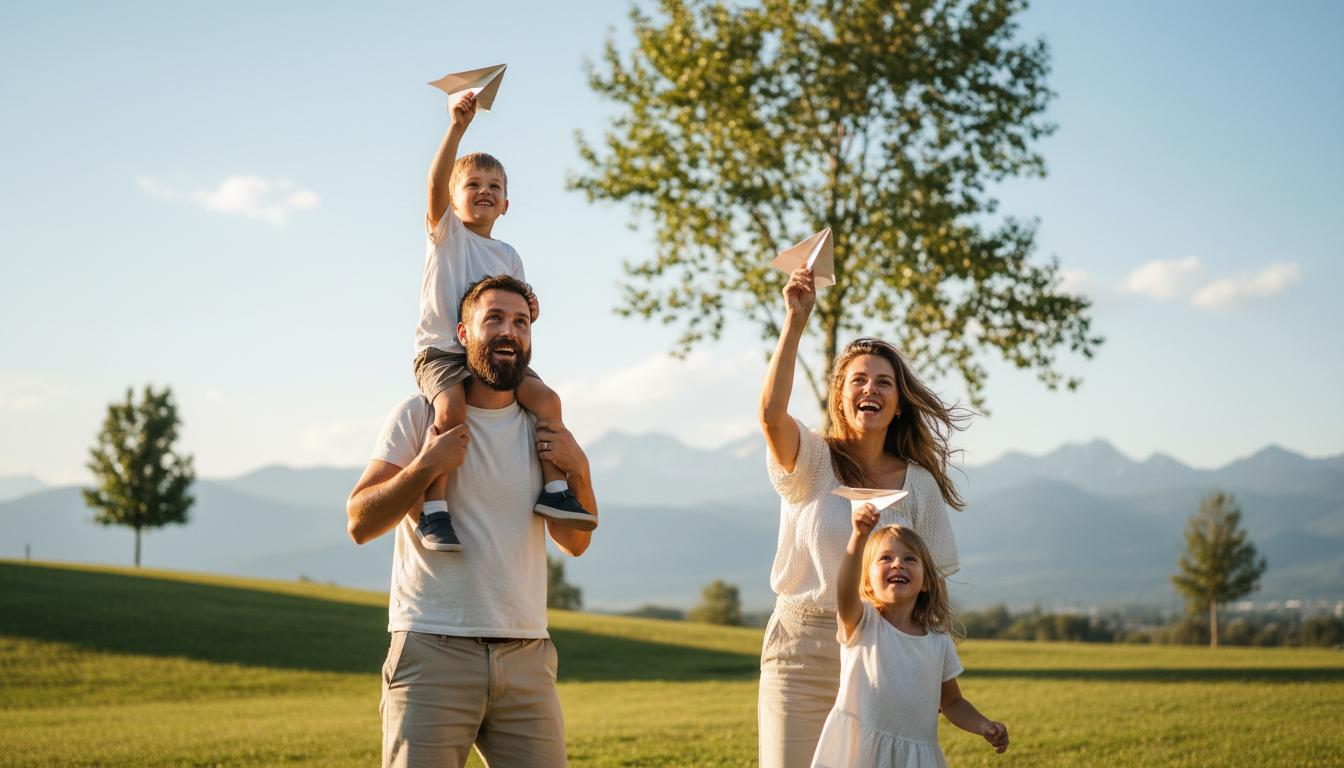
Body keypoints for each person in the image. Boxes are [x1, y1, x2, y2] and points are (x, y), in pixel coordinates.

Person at [348, 276, 598, 768]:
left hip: (527, 656)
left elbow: (573, 541)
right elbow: (359, 522)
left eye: (521, 322)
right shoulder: (418, 417)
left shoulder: (543, 428)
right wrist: (426, 465)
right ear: (463, 334)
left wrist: (581, 470)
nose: (510, 331)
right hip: (433, 653)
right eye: (495, 319)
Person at [758, 263, 970, 767]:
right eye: (857, 381)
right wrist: (795, 319)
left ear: (898, 404)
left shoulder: (919, 484)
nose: (869, 389)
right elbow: (770, 414)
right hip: (801, 653)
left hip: (881, 657)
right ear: (841, 396)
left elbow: (931, 593)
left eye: (883, 382)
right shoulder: (810, 459)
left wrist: (932, 675)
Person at [412, 88, 594, 553]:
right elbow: (434, 186)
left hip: (493, 355)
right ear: (452, 201)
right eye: (472, 185)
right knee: (450, 412)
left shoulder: (509, 255)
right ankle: (435, 511)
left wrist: (531, 307)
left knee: (547, 400)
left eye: (494, 187)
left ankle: (554, 489)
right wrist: (457, 127)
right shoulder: (447, 236)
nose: (484, 192)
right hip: (444, 351)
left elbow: (518, 311)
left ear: (507, 204)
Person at [811, 516, 1008, 767]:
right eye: (885, 558)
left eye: (909, 559)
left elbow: (951, 702)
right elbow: (844, 590)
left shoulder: (938, 641)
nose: (897, 564)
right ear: (868, 580)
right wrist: (858, 536)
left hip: (915, 757)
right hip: (860, 752)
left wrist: (983, 724)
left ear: (926, 582)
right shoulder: (862, 622)